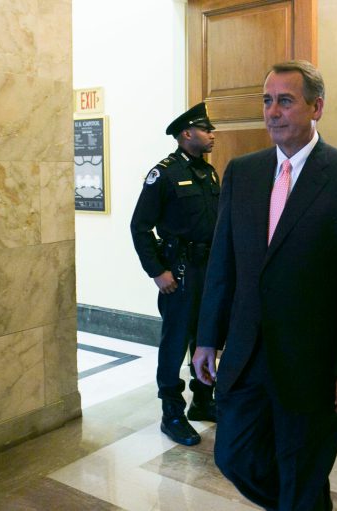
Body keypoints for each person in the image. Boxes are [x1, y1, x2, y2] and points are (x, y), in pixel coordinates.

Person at [192, 60, 337, 510]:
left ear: (316, 107)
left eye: (285, 100)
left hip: (312, 367)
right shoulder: (243, 171)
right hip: (248, 354)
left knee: (301, 470)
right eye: (267, 100)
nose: (273, 111)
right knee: (233, 455)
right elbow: (224, 263)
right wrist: (206, 338)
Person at [130, 102, 220, 446]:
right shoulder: (164, 174)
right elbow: (140, 227)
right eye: (206, 130)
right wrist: (157, 271)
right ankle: (171, 413)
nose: (212, 135)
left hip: (209, 269)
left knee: (207, 334)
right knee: (175, 343)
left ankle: (202, 399)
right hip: (179, 271)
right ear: (187, 134)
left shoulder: (208, 173)